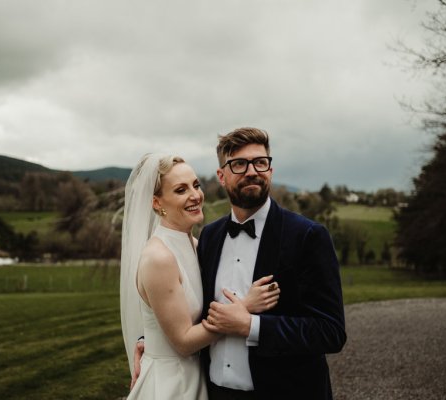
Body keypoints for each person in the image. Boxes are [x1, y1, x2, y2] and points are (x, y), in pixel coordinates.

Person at [198, 127, 347, 399]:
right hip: (216, 392)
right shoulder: (210, 236)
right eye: (239, 164)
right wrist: (149, 341)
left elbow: (331, 332)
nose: (252, 171)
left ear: (270, 170)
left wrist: (250, 326)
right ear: (221, 176)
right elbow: (190, 307)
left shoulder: (308, 236)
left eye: (260, 162)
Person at [120, 153, 280, 399]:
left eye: (196, 185)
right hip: (171, 383)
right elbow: (183, 341)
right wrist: (244, 307)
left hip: (198, 375)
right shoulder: (159, 258)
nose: (195, 196)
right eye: (180, 190)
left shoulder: (196, 244)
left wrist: (147, 339)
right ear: (156, 203)